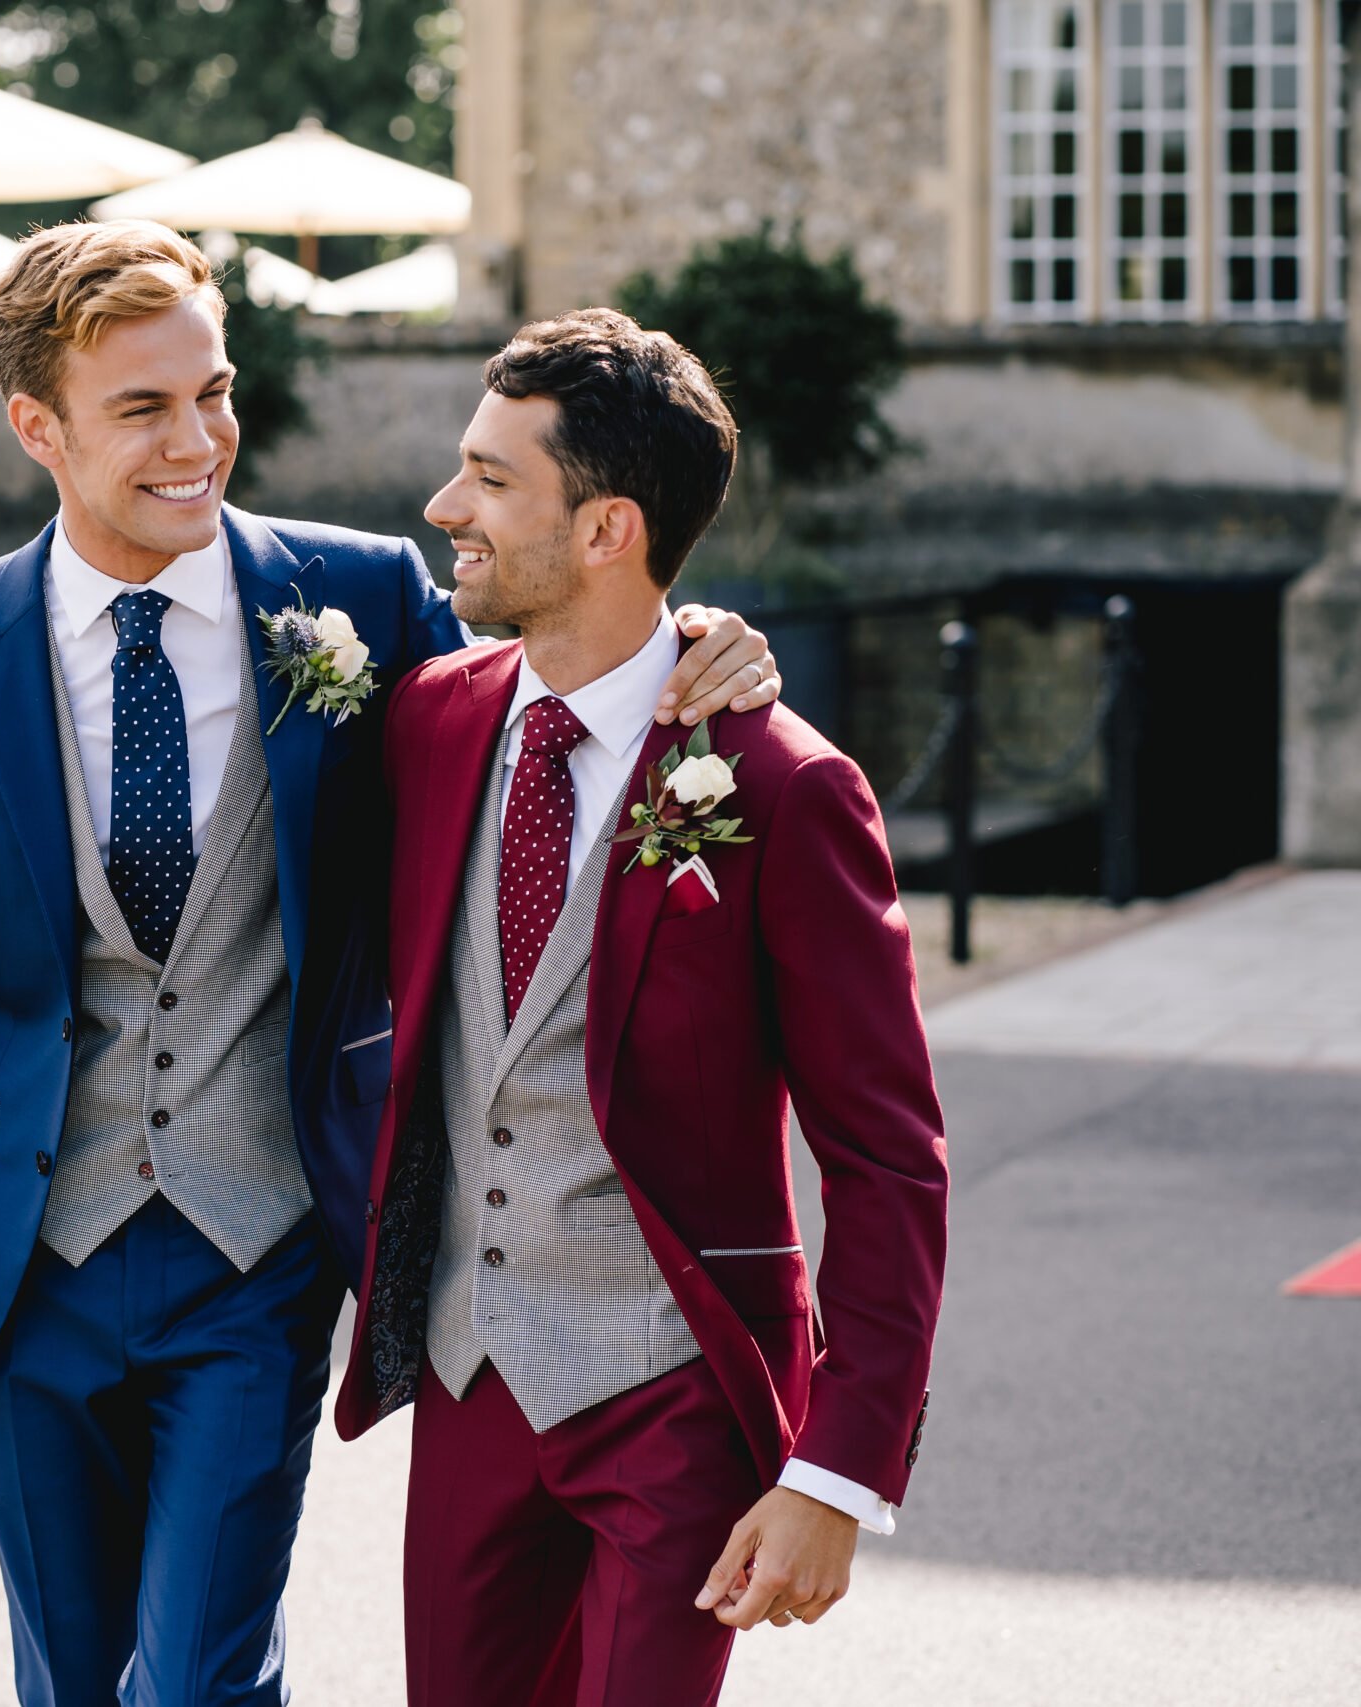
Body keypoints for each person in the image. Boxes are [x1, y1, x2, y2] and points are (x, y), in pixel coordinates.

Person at [0, 223, 781, 1706]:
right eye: (144, 410)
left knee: (196, 1681)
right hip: (28, 1265)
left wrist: (711, 641)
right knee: (72, 1683)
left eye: (215, 391)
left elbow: (574, 647)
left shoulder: (362, 596)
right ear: (37, 428)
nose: (200, 440)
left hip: (258, 1246)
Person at [334, 307, 948, 1707]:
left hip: (675, 1388)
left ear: (609, 528)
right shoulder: (430, 717)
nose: (446, 507)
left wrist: (836, 1471)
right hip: (471, 1373)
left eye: (492, 479)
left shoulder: (785, 788)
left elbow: (888, 1157)